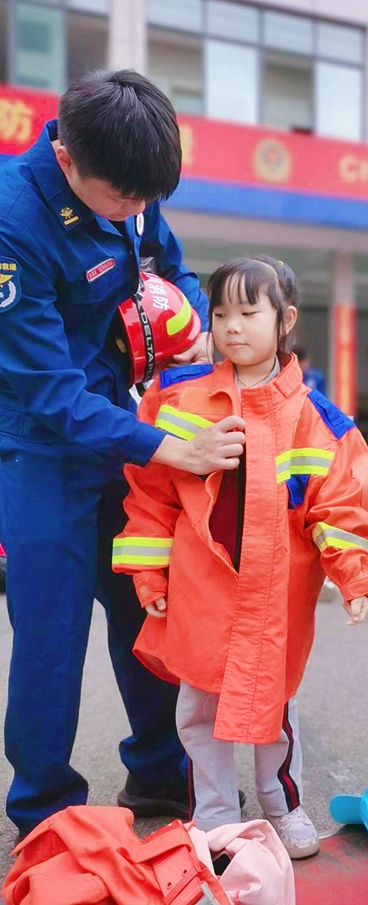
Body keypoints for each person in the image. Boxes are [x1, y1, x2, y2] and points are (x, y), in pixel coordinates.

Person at [0, 70, 246, 840]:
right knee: (51, 631)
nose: (138, 212)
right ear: (69, 159)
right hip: (41, 447)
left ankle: (160, 774)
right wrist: (176, 446)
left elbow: (169, 265)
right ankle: (46, 809)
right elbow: (50, 393)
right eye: (125, 200)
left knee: (149, 602)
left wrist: (194, 323)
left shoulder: (131, 175)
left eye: (147, 198)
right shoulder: (13, 223)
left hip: (127, 427)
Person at [112, 256, 368, 859]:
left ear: (284, 321)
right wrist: (148, 571)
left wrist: (355, 576)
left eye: (248, 312)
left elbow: (339, 506)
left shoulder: (317, 418)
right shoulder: (176, 399)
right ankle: (213, 818)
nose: (232, 326)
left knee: (271, 712)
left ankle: (282, 809)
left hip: (272, 596)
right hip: (202, 589)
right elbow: (151, 495)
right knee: (198, 711)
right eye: (222, 313)